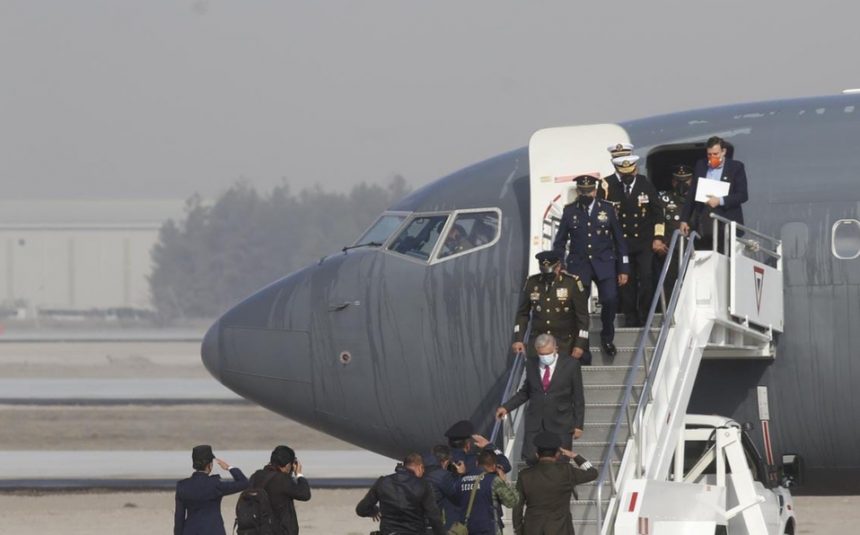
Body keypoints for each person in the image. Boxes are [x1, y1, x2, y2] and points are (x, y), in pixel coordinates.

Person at [552, 174, 630, 356]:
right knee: (579, 308)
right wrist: (560, 263)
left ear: (595, 191)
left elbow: (620, 241)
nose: (586, 194)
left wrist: (623, 268)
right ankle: (582, 346)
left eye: (589, 191)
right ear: (578, 191)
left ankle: (607, 337)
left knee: (610, 299)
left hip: (604, 263)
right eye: (582, 191)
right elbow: (560, 241)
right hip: (579, 265)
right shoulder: (570, 211)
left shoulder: (607, 209)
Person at [495, 334, 585, 460]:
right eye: (541, 354)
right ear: (537, 351)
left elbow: (578, 397)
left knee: (561, 462)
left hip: (561, 423)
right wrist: (506, 407)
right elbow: (526, 392)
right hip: (535, 423)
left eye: (548, 353)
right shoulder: (531, 364)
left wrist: (578, 425)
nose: (545, 357)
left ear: (555, 349)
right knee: (531, 459)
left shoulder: (571, 365)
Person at [605, 155, 660, 327]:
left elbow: (658, 213)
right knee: (626, 282)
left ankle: (645, 315)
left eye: (630, 173)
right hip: (623, 244)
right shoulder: (612, 188)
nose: (627, 176)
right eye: (624, 174)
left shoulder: (645, 185)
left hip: (644, 241)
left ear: (635, 170)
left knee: (646, 277)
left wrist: (658, 237)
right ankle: (630, 317)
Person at [512, 250, 590, 364]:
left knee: (562, 374)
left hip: (564, 343)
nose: (547, 275)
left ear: (558, 267)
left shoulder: (571, 283)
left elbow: (582, 317)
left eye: (550, 271)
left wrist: (580, 344)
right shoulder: (532, 282)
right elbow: (522, 313)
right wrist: (519, 339)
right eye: (544, 271)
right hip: (538, 342)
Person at [513, 432, 599, 535]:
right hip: (561, 529)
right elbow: (592, 473)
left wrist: (519, 530)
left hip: (532, 529)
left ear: (537, 454)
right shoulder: (566, 471)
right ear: (557, 454)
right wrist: (575, 456)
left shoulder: (524, 475)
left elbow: (517, 506)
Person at [679, 136, 749, 250]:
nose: (712, 157)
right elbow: (692, 194)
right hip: (704, 222)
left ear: (723, 152)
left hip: (726, 221)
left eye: (715, 154)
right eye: (709, 154)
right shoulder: (701, 165)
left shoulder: (736, 167)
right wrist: (684, 219)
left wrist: (720, 200)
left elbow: (743, 195)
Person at [355, 453, 445, 535]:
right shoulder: (423, 485)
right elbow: (434, 517)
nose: (423, 472)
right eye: (423, 469)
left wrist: (374, 511)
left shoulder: (383, 482)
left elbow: (361, 509)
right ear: (420, 467)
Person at [174, 445, 249, 535]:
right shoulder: (215, 484)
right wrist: (229, 468)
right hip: (213, 531)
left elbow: (179, 517)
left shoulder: (182, 486)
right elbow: (244, 483)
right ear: (209, 465)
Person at [247, 445, 311, 535]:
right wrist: (299, 474)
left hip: (256, 529)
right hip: (279, 530)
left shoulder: (256, 476)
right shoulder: (283, 479)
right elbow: (305, 494)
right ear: (288, 465)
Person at [454, 450, 519, 535]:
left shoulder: (462, 480)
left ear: (477, 463)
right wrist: (505, 482)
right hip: (489, 529)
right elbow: (512, 502)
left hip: (467, 529)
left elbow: (455, 500)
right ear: (494, 466)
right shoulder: (493, 480)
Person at [653, 164, 693, 294]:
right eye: (678, 181)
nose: (681, 184)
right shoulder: (664, 199)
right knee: (668, 285)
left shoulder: (697, 200)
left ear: (692, 180)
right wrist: (658, 240)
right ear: (673, 181)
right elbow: (658, 221)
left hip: (692, 249)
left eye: (685, 181)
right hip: (669, 249)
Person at [444, 420, 512, 474]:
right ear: (467, 445)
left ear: (449, 443)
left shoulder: (442, 461)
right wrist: (489, 446)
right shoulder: (476, 461)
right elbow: (505, 466)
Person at [424, 445, 465, 529]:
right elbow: (457, 497)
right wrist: (461, 475)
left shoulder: (421, 470)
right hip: (432, 523)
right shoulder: (443, 475)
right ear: (446, 461)